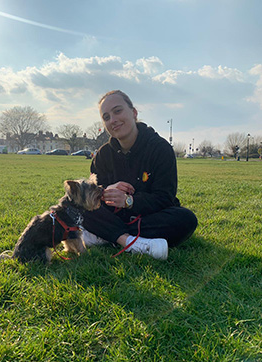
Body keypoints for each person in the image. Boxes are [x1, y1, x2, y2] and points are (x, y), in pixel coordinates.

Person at [82, 90, 198, 260]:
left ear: (134, 113)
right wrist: (105, 191)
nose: (113, 120)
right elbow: (91, 197)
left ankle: (108, 236)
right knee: (80, 208)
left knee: (186, 219)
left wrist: (129, 201)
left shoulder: (160, 148)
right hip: (115, 214)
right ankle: (133, 242)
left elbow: (165, 197)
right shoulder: (103, 154)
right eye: (106, 117)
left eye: (117, 111)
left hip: (149, 217)